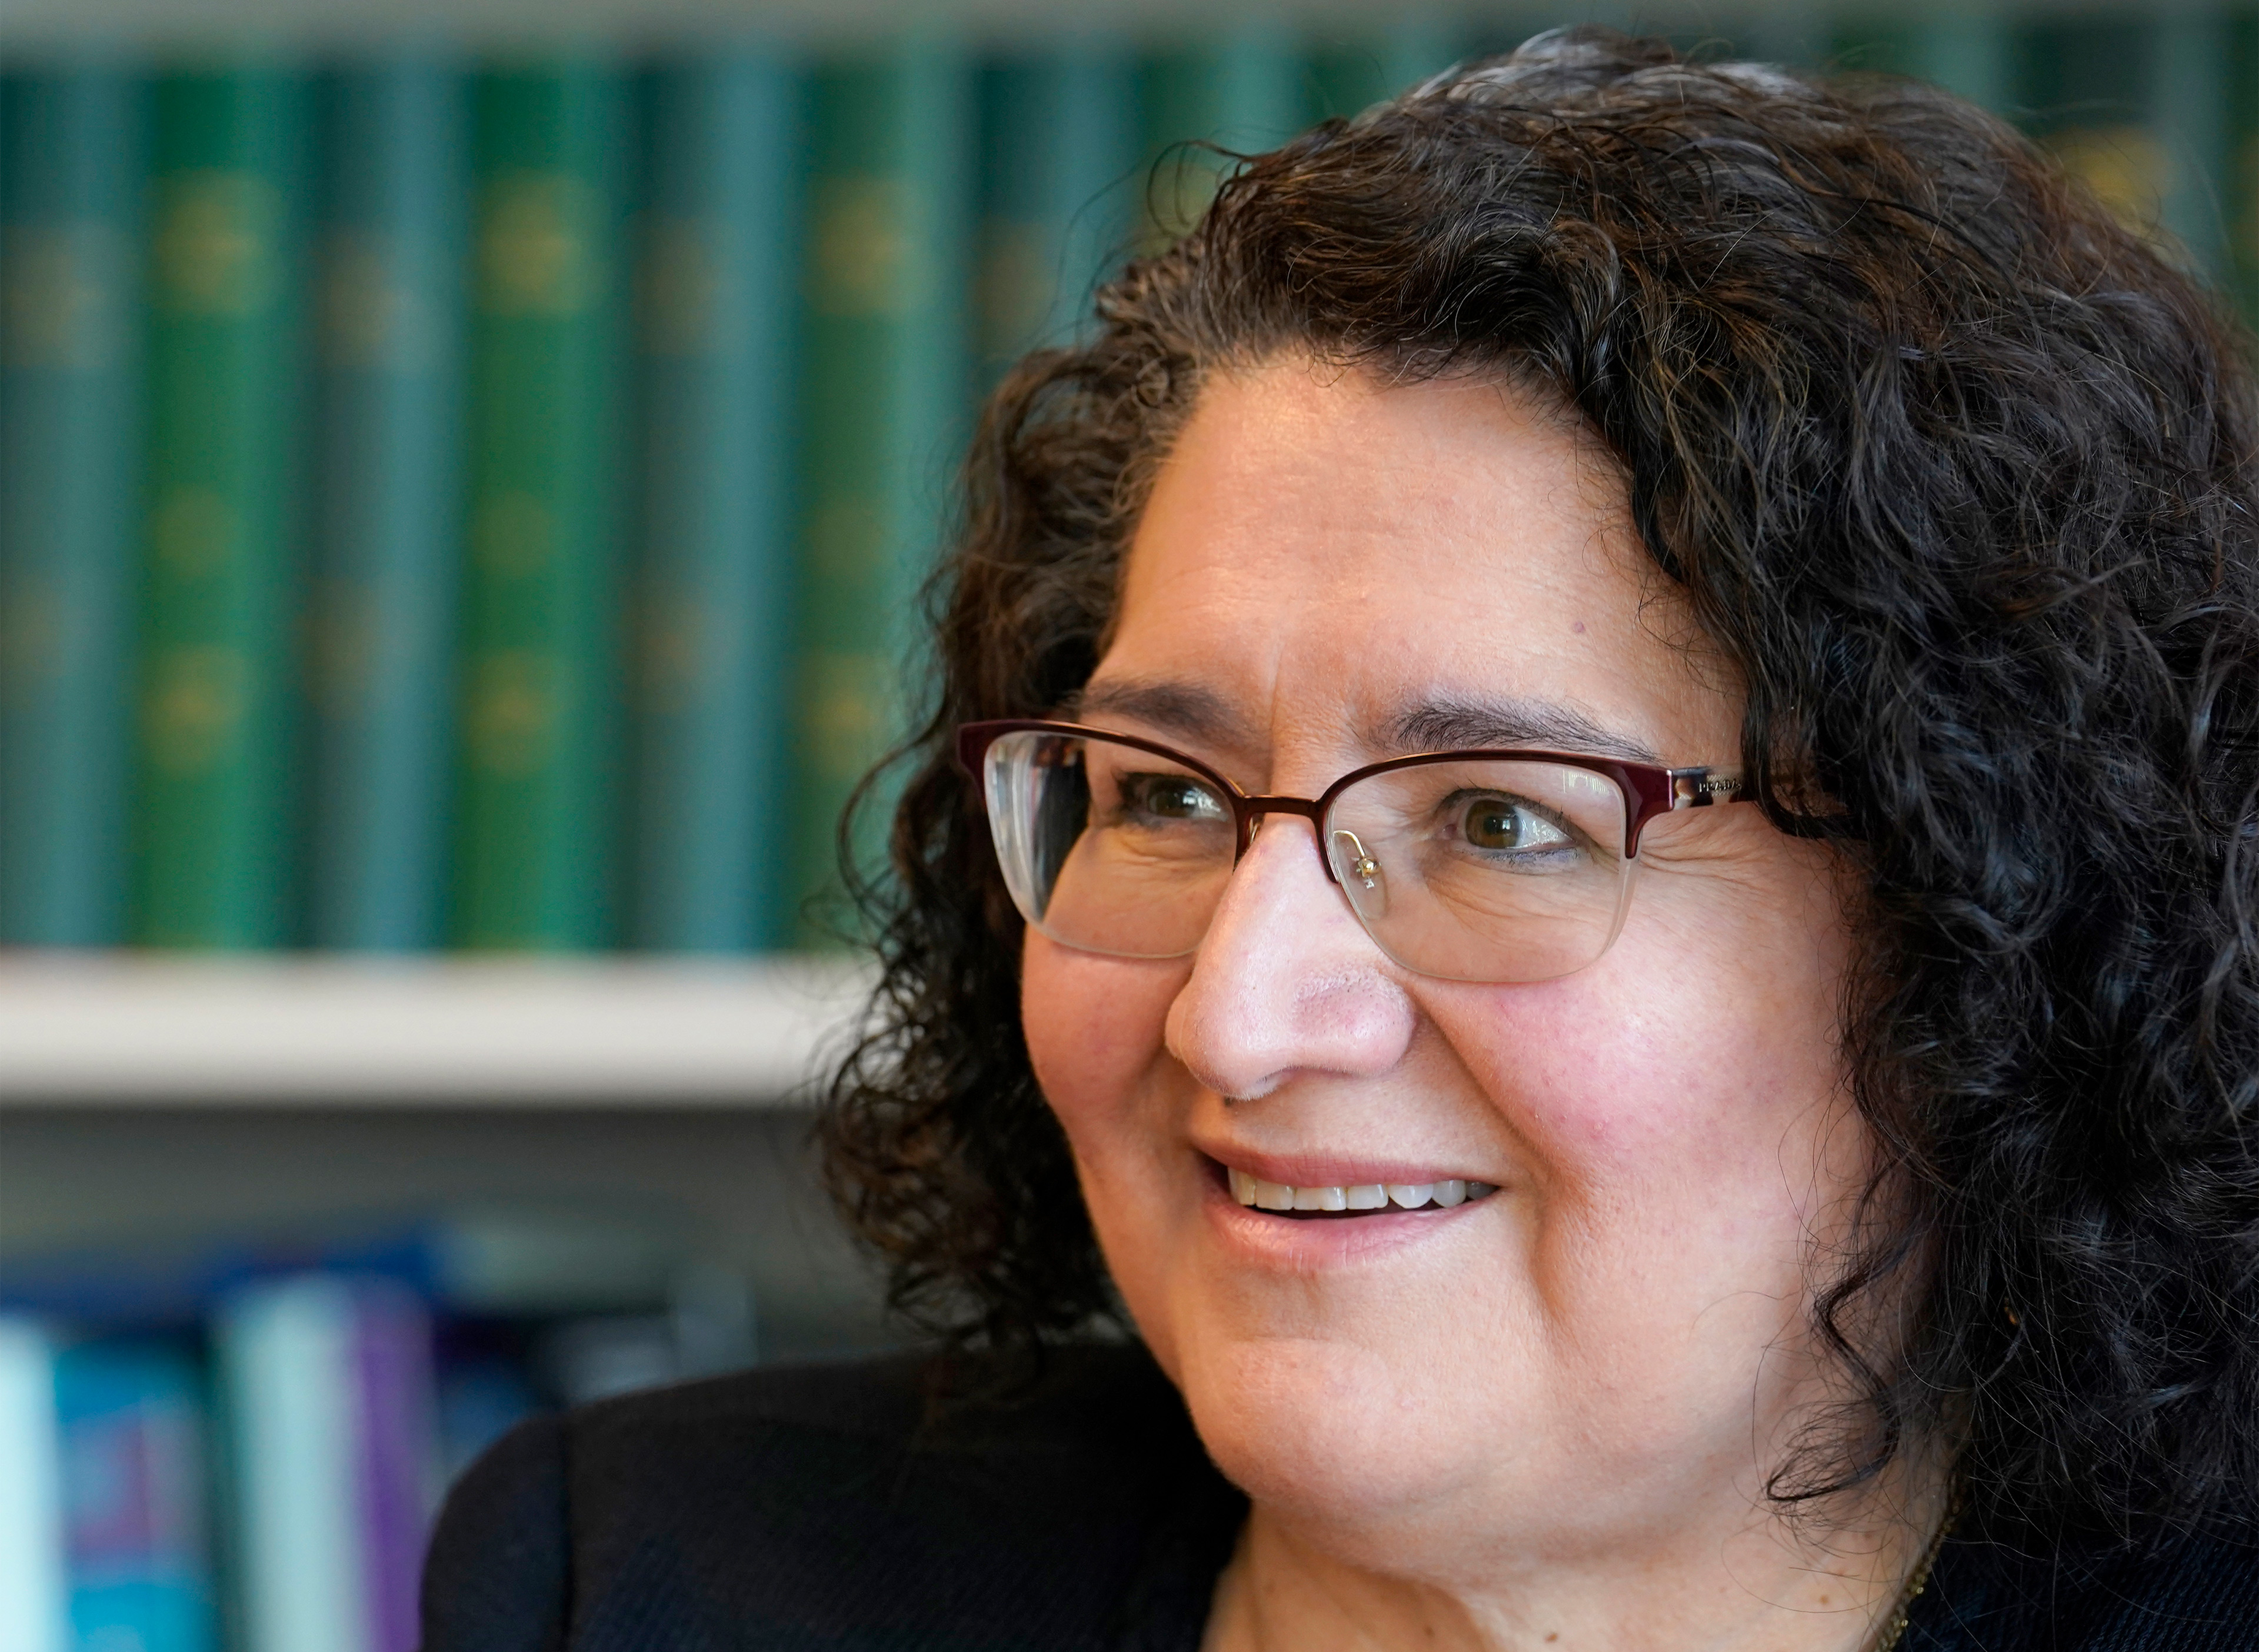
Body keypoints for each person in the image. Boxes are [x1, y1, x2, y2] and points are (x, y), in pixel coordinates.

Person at [421, 30, 2259, 1651]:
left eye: (1498, 820)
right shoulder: (656, 1576)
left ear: (1987, 932)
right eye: (1162, 794)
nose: (1238, 1015)